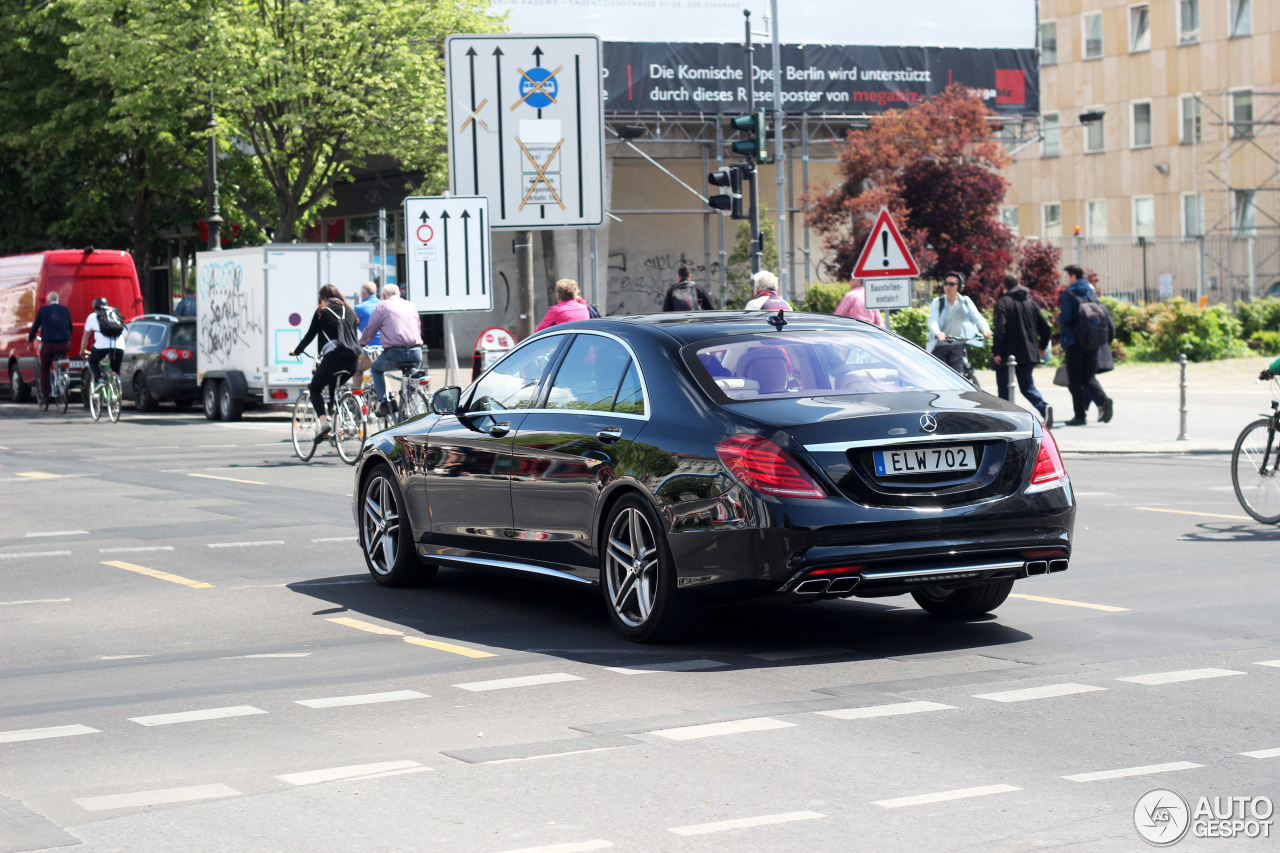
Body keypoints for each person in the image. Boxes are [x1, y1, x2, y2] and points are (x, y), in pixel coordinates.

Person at [290, 284, 360, 438]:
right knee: (333, 386)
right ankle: (335, 413)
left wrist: (297, 350)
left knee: (315, 388)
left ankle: (324, 423)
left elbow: (310, 335)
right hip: (354, 359)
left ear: (323, 298)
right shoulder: (350, 312)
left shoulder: (322, 311)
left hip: (334, 357)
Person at [992, 274, 1053, 426]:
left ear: (1004, 287)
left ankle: (1005, 420)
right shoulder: (1031, 303)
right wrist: (1043, 346)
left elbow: (1000, 329)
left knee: (1004, 388)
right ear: (1019, 284)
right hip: (1029, 352)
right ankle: (1043, 407)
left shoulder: (1003, 303)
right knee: (1027, 386)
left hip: (1008, 353)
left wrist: (996, 351)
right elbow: (1046, 328)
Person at [1058, 264, 1113, 426]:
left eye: (1067, 276)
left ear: (1074, 276)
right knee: (1088, 376)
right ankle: (1103, 399)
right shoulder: (1091, 291)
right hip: (1092, 341)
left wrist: (1059, 320)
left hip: (1074, 342)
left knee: (1074, 379)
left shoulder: (1068, 294)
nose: (1066, 279)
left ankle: (1080, 415)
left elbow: (1066, 318)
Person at [360, 283, 424, 417]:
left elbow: (371, 329)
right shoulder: (411, 305)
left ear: (383, 296)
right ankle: (409, 403)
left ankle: (383, 401)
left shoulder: (382, 306)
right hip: (416, 352)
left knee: (376, 369)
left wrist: (361, 344)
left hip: (395, 352)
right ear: (399, 294)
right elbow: (418, 328)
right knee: (409, 379)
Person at [926, 272, 991, 373]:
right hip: (940, 344)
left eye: (951, 284)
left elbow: (976, 317)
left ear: (959, 287)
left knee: (958, 374)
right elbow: (933, 320)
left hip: (957, 344)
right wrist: (937, 333)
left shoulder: (965, 301)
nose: (948, 287)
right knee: (937, 374)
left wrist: (985, 329)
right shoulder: (938, 302)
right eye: (946, 284)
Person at [28, 291, 73, 402]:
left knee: (45, 367)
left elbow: (35, 326)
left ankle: (45, 394)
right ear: (58, 300)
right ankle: (64, 375)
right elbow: (70, 327)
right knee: (63, 357)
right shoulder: (65, 309)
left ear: (48, 301)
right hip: (64, 344)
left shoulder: (43, 310)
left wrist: (31, 337)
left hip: (49, 345)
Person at [79, 297, 123, 388]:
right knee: (115, 370)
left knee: (92, 360)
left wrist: (82, 350)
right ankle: (116, 389)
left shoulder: (92, 316)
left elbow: (85, 336)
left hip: (102, 347)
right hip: (119, 346)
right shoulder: (114, 314)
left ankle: (100, 380)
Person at [352, 281, 380, 388]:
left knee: (357, 369)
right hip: (386, 349)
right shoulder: (383, 305)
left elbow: (352, 328)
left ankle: (356, 397)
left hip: (371, 349)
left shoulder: (359, 308)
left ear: (363, 294)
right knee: (380, 371)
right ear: (376, 292)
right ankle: (389, 397)